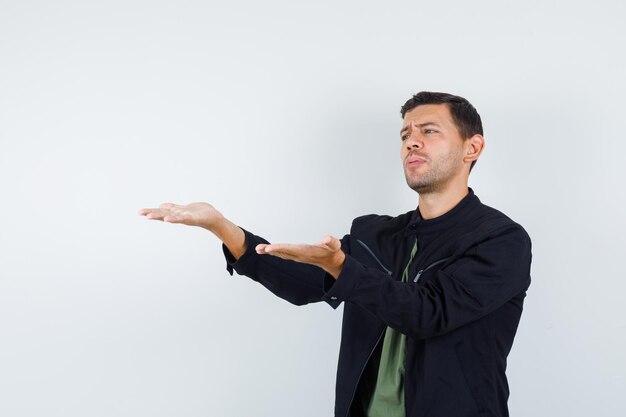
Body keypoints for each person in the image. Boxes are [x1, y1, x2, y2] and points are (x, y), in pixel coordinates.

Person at [138, 91, 532, 417]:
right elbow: (303, 283)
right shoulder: (374, 233)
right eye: (405, 133)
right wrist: (222, 227)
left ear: (472, 147)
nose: (412, 140)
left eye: (429, 131)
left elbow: (430, 313)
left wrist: (343, 268)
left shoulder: (501, 241)